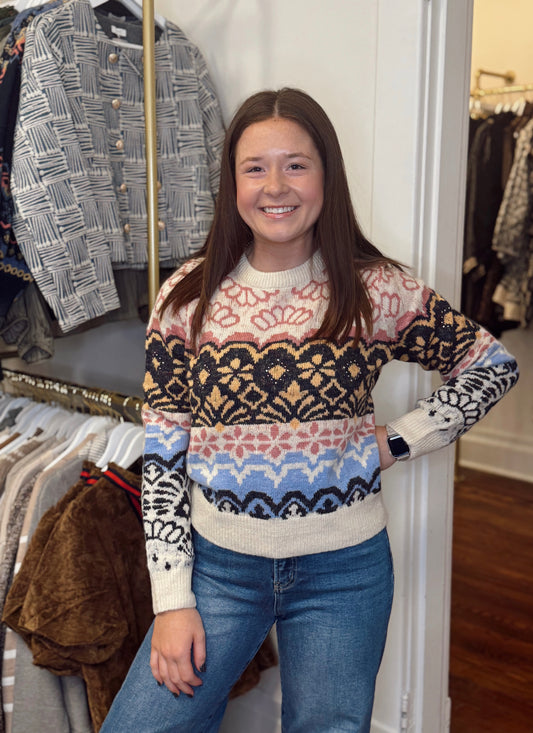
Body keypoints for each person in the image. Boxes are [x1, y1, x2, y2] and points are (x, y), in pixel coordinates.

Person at [101, 87, 519, 733]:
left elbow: (491, 364)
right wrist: (171, 600)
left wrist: (397, 441)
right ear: (232, 183)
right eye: (254, 167)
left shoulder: (376, 288)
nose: (275, 186)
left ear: (327, 174)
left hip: (344, 571)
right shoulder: (187, 297)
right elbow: (163, 457)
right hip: (218, 570)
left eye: (296, 164)